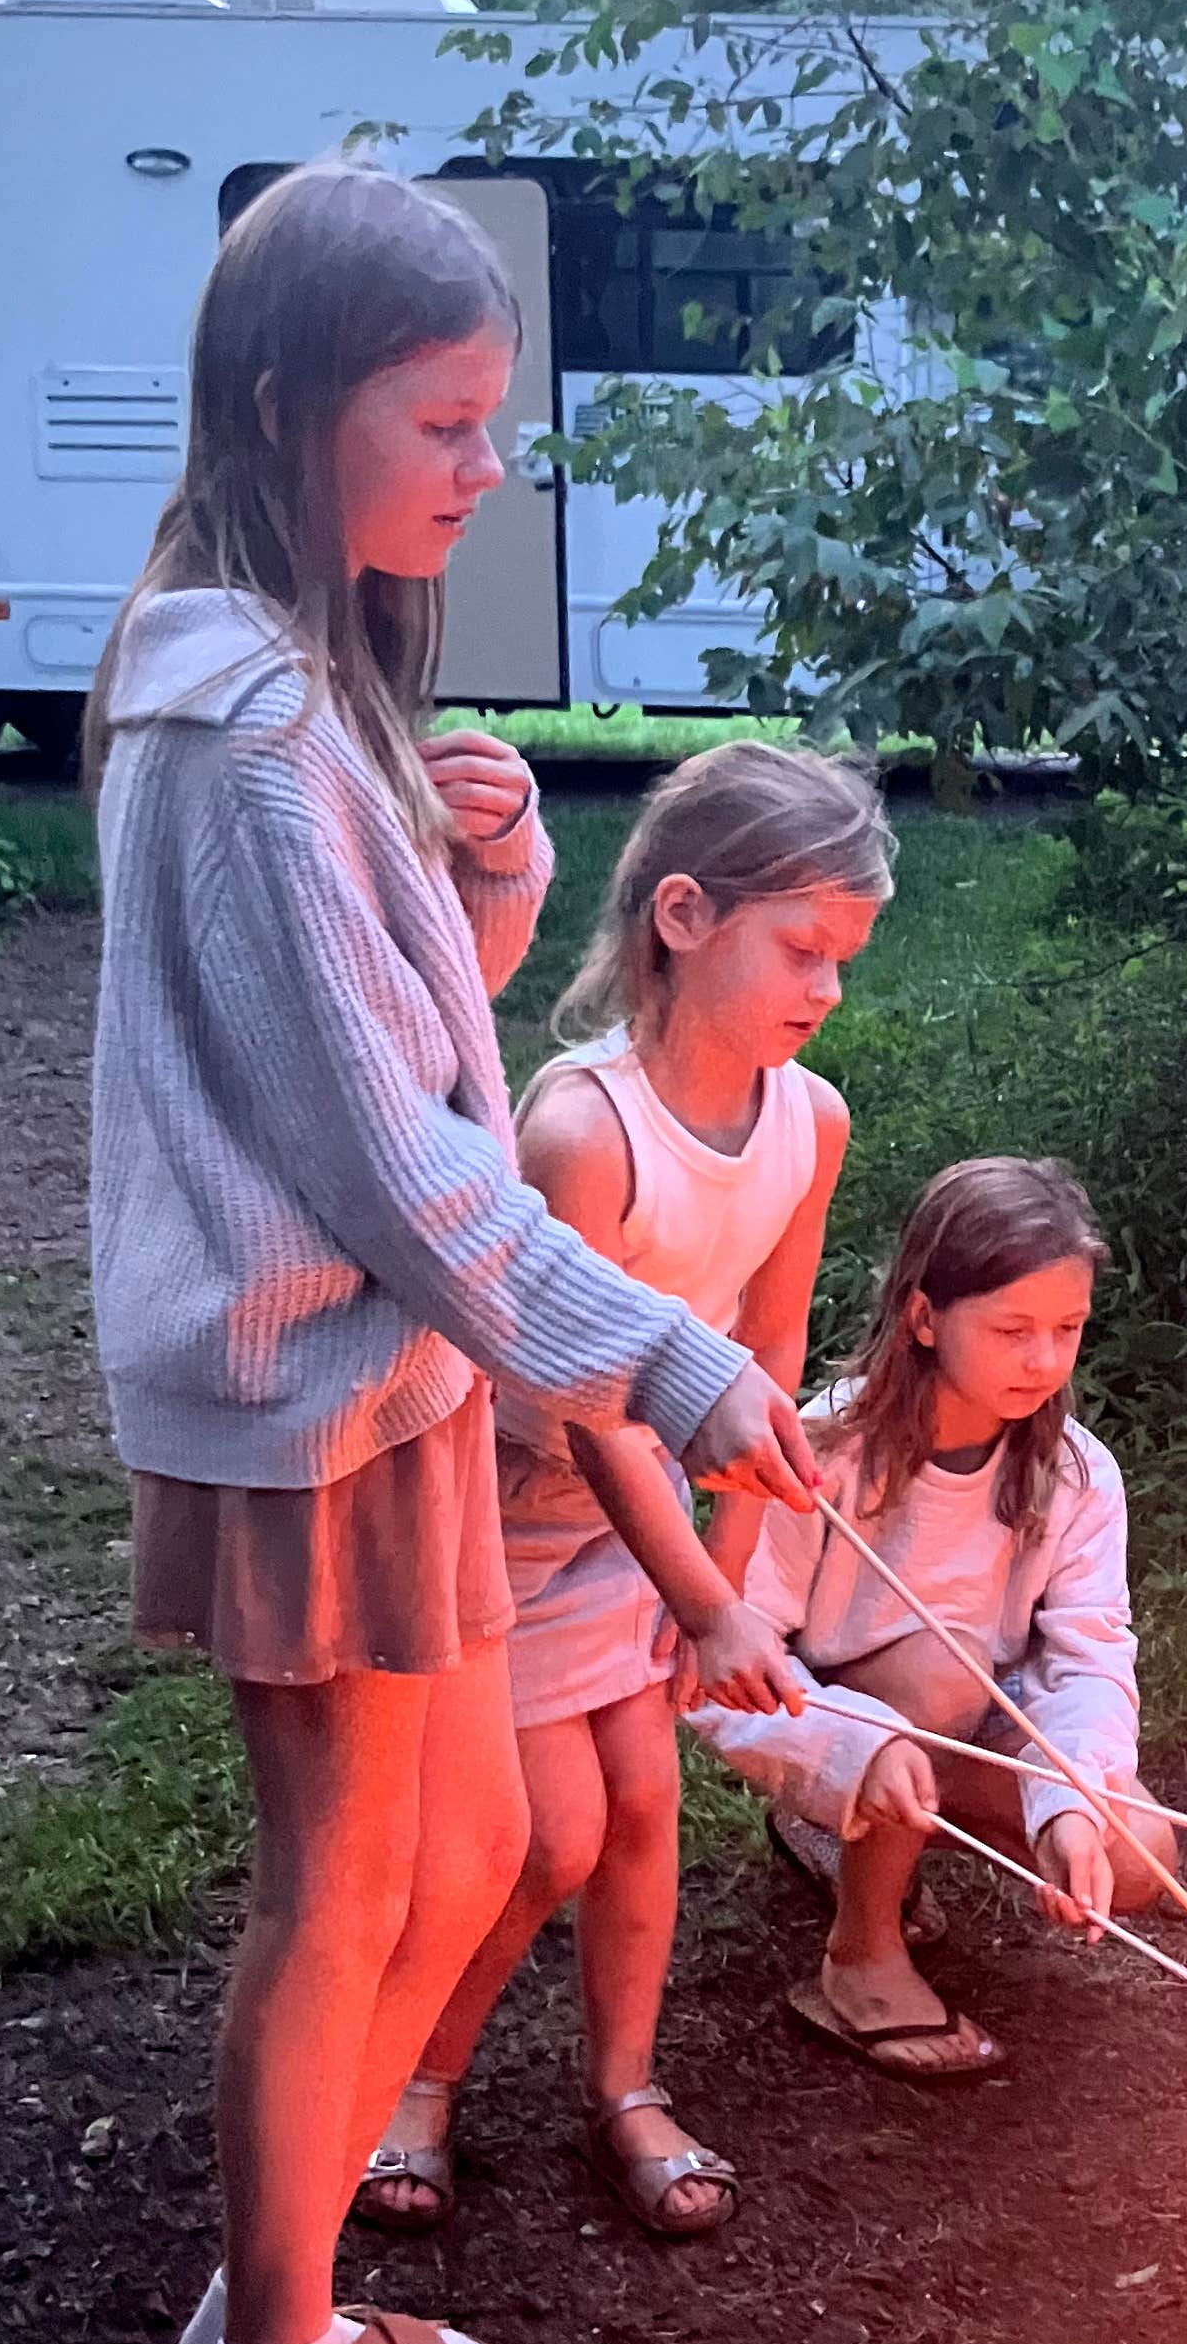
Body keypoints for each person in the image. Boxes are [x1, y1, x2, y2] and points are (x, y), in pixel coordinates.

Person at [86, 159, 815, 2344]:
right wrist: (688, 1369)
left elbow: (400, 1081)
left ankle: (264, 2277)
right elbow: (401, 1179)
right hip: (300, 1404)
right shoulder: (243, 730)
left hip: (390, 1376)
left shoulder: (314, 705)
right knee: (352, 1885)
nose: (484, 474)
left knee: (486, 1827)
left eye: (500, 425)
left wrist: (484, 893)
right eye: (445, 425)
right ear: (293, 408)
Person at [358, 740, 893, 2242]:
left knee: (645, 1804)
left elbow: (767, 1352)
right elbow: (586, 1397)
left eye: (843, 961)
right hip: (515, 1514)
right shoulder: (582, 1129)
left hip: (651, 1534)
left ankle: (624, 2088)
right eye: (801, 951)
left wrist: (727, 1587)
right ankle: (414, 2085)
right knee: (544, 1839)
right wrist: (705, 1596)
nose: (825, 992)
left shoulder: (812, 1120)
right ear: (679, 915)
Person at [695, 1155, 1176, 2084]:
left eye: (1066, 1329)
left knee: (1139, 1856)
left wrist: (1068, 1801)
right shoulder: (821, 1456)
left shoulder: (1076, 1475)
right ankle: (859, 1955)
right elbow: (719, 1672)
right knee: (938, 1672)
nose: (1043, 1360)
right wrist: (846, 1753)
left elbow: (1089, 1661)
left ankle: (857, 1834)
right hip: (829, 1719)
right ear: (923, 1317)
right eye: (1012, 1329)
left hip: (972, 1728)